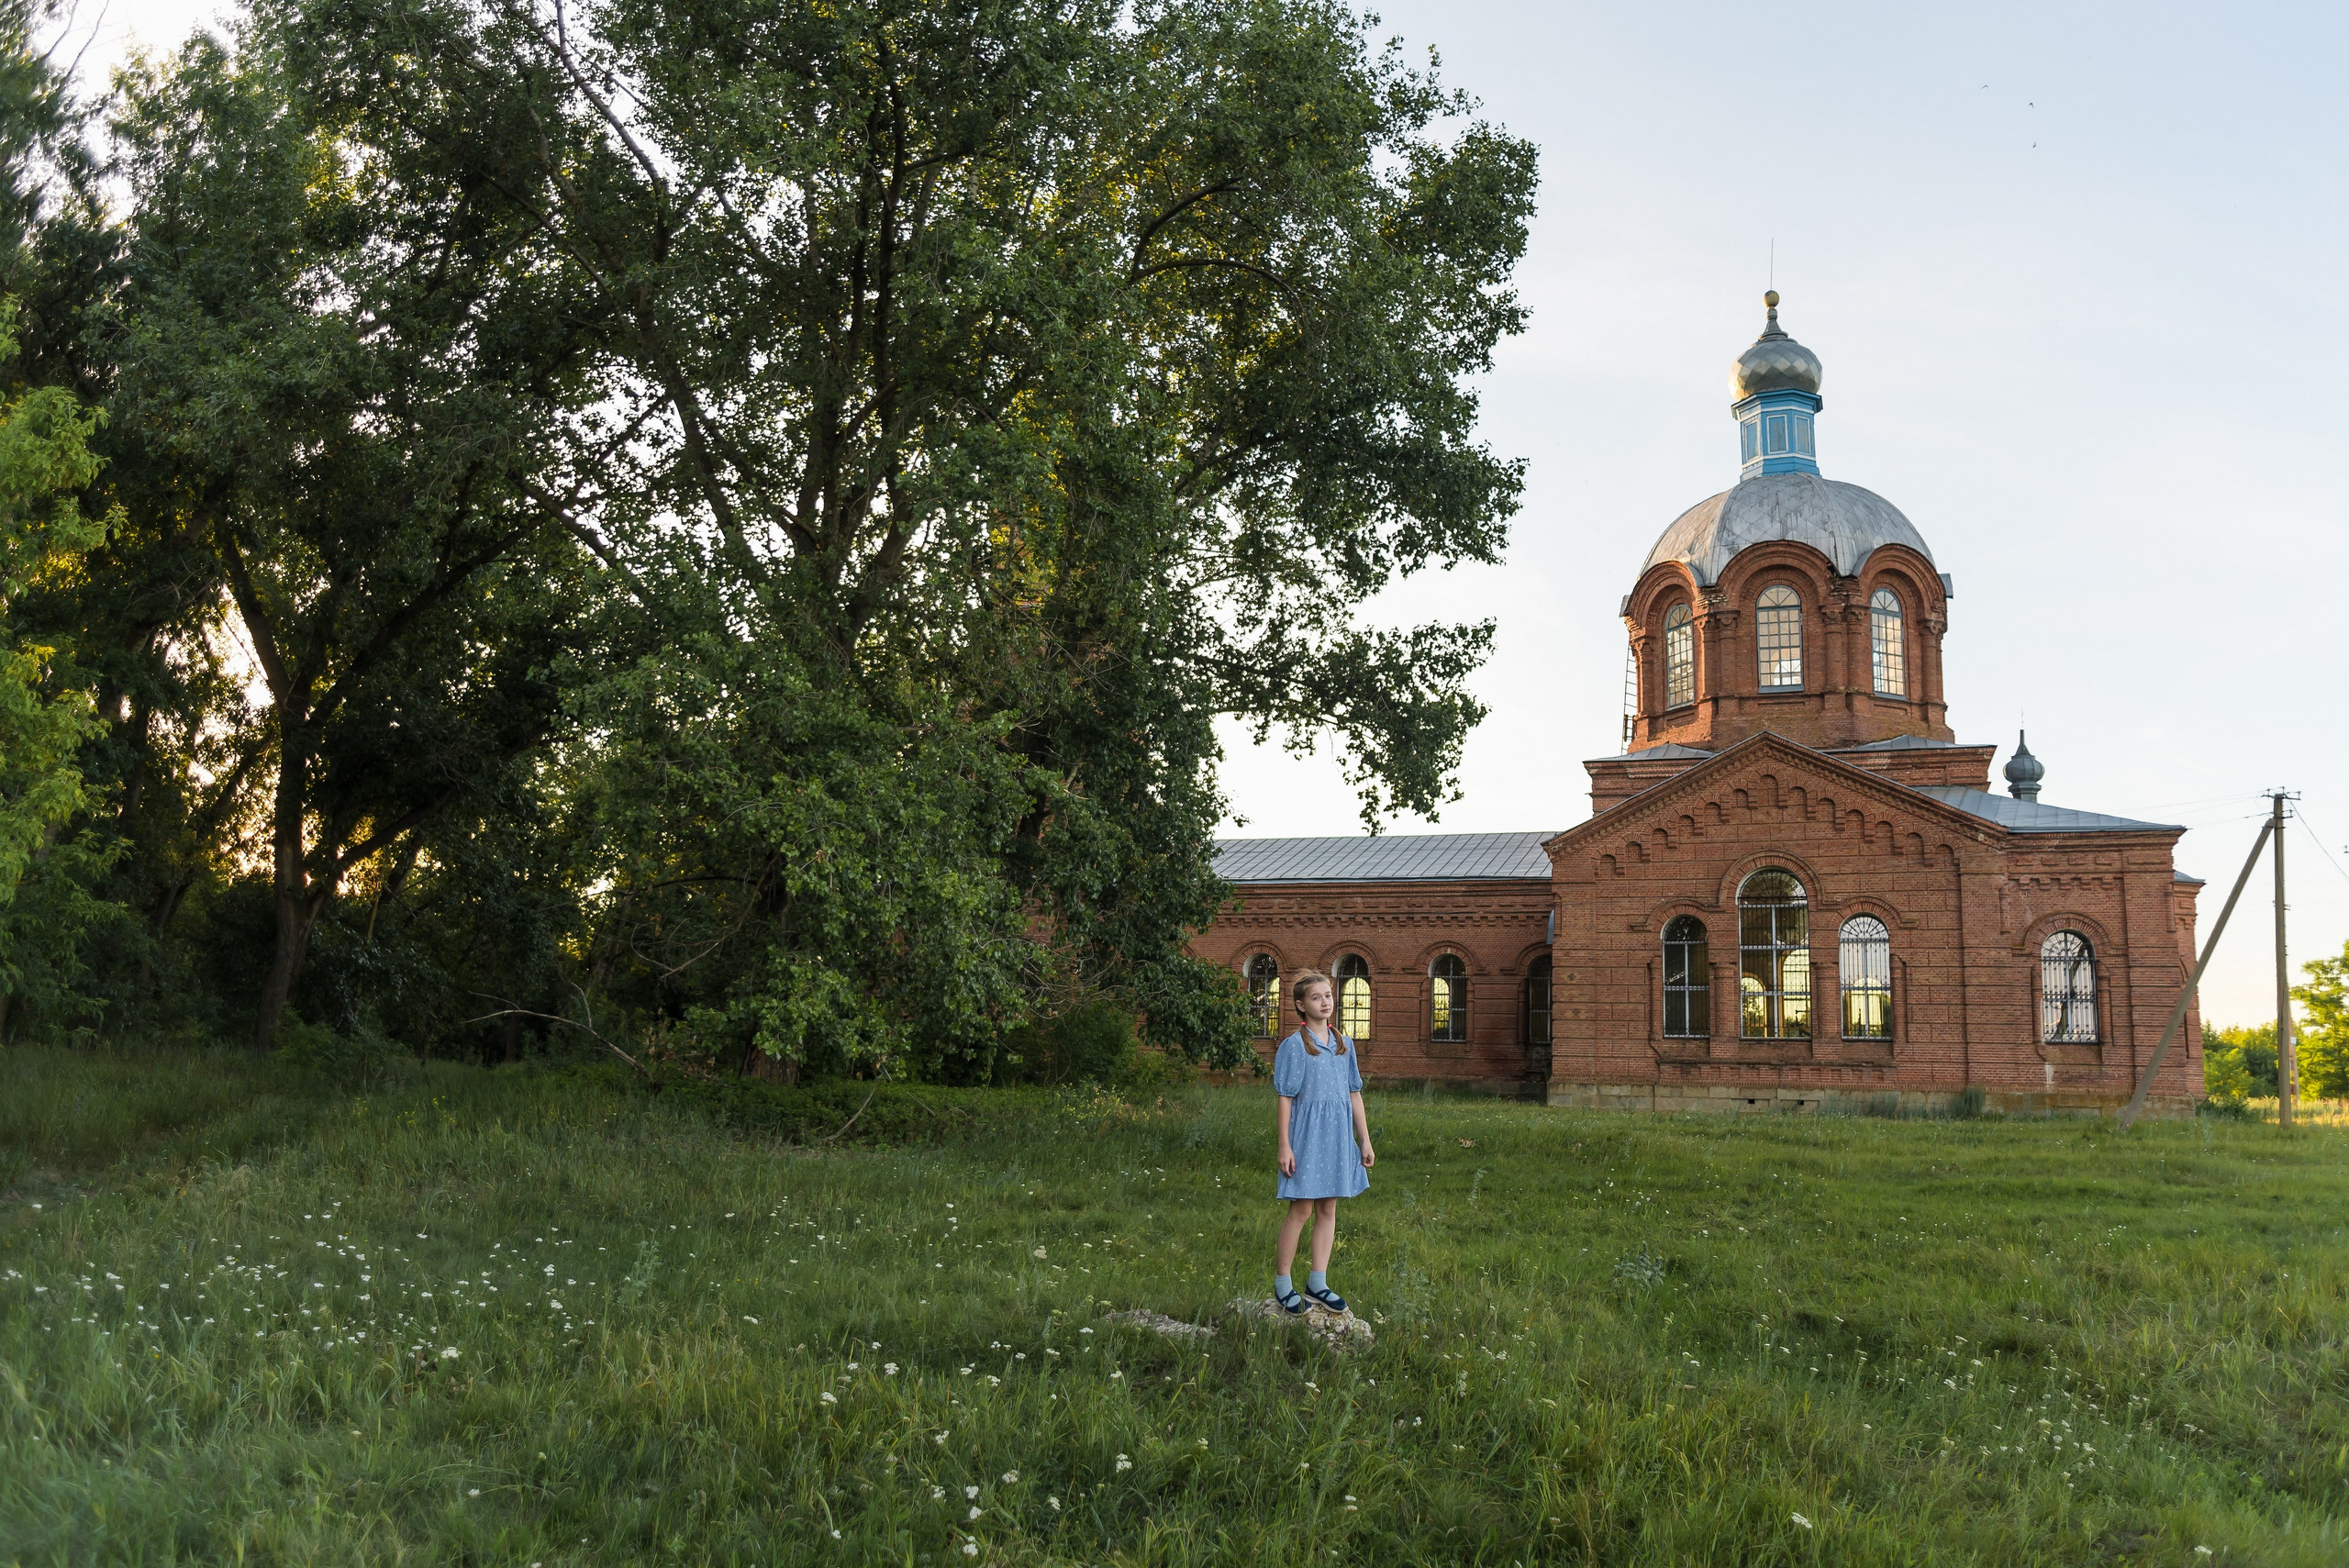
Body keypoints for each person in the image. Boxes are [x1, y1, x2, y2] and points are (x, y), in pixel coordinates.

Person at [1271, 969, 1375, 1315]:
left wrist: (1365, 1141)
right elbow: (1285, 1097)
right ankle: (1283, 1283)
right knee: (1300, 1210)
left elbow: (1354, 1094)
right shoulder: (1295, 1046)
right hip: (1306, 1138)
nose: (1325, 1002)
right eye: (1316, 998)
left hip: (1337, 1137)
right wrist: (1284, 1145)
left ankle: (1318, 1282)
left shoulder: (1344, 1044)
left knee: (1328, 1208)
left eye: (1328, 995)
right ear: (1301, 1005)